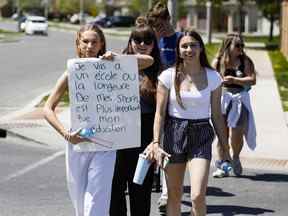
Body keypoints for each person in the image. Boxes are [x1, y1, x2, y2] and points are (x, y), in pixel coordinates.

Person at [43, 22, 154, 216]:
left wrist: (118, 58)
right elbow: (47, 108)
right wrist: (66, 134)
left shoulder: (112, 65)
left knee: (97, 199)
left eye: (94, 42)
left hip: (105, 144)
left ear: (101, 44)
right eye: (85, 41)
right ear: (78, 44)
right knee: (79, 198)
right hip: (78, 142)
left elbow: (148, 60)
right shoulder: (72, 71)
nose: (89, 46)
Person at [146, 29, 228, 216]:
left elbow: (216, 115)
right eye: (184, 46)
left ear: (200, 48)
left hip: (201, 133)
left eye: (193, 45)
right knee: (174, 194)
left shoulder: (214, 77)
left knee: (198, 195)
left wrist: (225, 146)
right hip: (174, 132)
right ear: (178, 50)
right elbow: (159, 113)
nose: (189, 49)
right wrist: (156, 143)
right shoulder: (167, 76)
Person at [109, 22, 162, 216]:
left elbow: (162, 114)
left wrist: (156, 144)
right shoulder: (114, 65)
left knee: (140, 188)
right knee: (115, 188)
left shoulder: (158, 72)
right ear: (130, 41)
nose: (142, 44)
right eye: (137, 40)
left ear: (154, 44)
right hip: (118, 132)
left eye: (147, 40)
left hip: (144, 135)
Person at [146, 2, 182, 211]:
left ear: (168, 20)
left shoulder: (178, 40)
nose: (157, 30)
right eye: (154, 26)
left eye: (160, 25)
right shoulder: (152, 39)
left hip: (174, 98)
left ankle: (167, 194)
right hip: (155, 96)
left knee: (169, 145)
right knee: (154, 140)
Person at [212, 33, 257, 178]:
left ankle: (235, 157)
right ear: (228, 46)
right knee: (221, 134)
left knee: (237, 133)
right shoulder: (218, 61)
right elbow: (210, 78)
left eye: (242, 45)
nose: (240, 48)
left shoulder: (245, 61)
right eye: (237, 45)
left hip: (239, 99)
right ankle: (223, 164)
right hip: (222, 99)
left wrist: (235, 80)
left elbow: (252, 79)